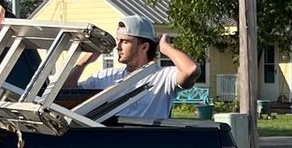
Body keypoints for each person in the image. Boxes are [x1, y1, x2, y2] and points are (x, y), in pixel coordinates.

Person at [62, 15, 199, 120]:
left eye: (125, 41)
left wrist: (165, 48)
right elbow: (66, 91)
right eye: (118, 40)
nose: (118, 46)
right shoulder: (107, 76)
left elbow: (190, 70)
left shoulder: (163, 77)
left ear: (144, 47)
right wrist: (84, 61)